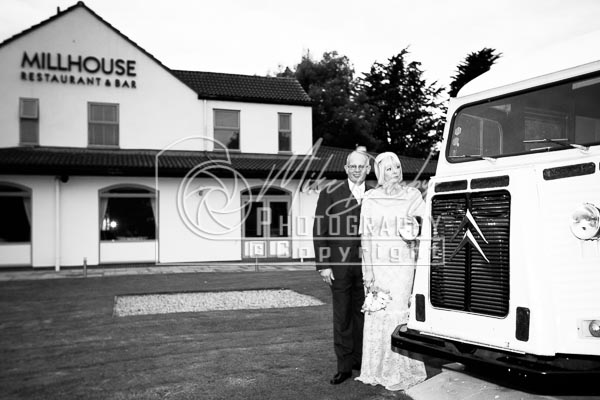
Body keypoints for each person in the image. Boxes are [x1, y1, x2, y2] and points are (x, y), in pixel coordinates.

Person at [355, 151, 427, 391]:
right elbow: (365, 236)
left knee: (398, 312)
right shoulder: (370, 198)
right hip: (378, 264)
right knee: (379, 312)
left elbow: (426, 222)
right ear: (379, 173)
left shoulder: (413, 195)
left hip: (403, 263)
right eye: (388, 169)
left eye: (397, 167)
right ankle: (376, 369)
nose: (394, 172)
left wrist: (413, 228)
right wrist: (368, 272)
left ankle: (401, 369)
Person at [313, 149, 372, 385]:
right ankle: (344, 366)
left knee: (364, 315)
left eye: (362, 166)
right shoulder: (330, 192)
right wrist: (324, 265)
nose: (357, 170)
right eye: (353, 166)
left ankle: (361, 360)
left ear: (368, 169)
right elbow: (320, 229)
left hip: (367, 267)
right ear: (346, 168)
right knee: (342, 316)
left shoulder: (376, 194)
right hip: (338, 266)